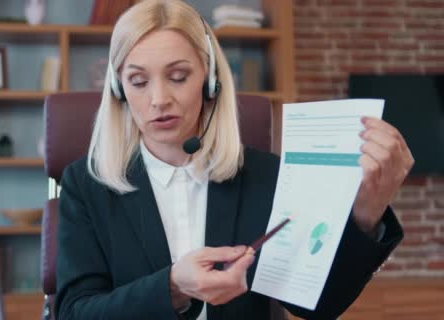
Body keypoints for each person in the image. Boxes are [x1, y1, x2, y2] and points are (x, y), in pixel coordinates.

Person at [54, 0, 413, 319]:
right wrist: (174, 286)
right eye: (138, 81)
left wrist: (366, 214)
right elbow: (74, 312)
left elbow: (318, 306)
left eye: (178, 77)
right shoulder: (86, 185)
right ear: (118, 90)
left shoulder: (266, 176)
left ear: (210, 81)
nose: (159, 98)